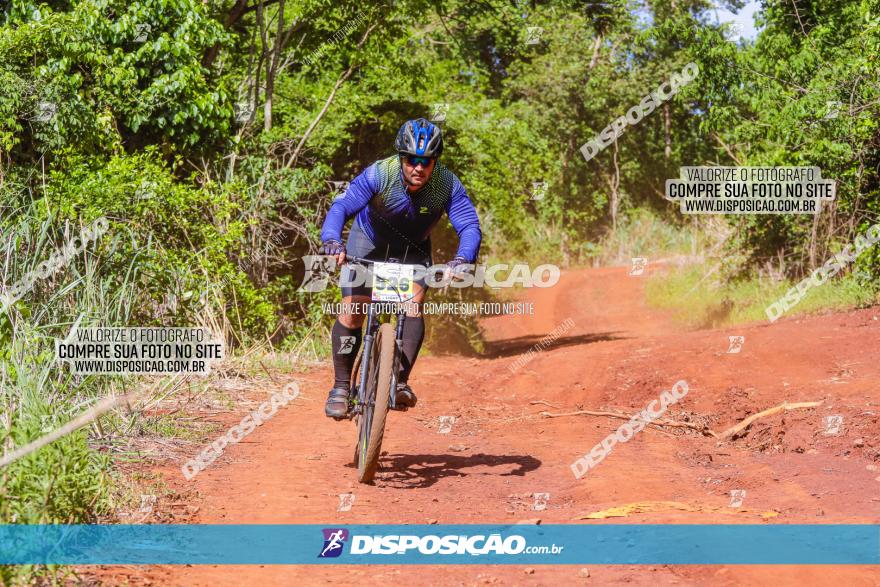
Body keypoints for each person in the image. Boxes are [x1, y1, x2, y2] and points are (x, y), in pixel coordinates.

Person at [319, 118, 481, 419]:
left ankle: (400, 380)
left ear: (435, 162)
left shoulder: (446, 184)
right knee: (353, 308)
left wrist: (462, 259)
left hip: (413, 250)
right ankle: (341, 387)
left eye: (426, 161)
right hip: (367, 242)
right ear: (400, 157)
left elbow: (469, 224)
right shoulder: (382, 172)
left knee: (412, 306)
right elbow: (341, 206)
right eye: (411, 159)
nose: (418, 167)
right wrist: (331, 240)